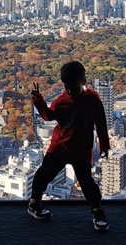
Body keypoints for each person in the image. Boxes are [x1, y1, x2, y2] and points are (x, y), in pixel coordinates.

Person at [27, 60, 110, 231]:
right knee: (44, 175)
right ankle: (34, 203)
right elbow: (48, 116)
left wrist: (104, 145)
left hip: (73, 149)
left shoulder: (92, 99)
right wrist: (38, 99)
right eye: (67, 86)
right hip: (62, 148)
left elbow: (101, 122)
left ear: (83, 81)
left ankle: (97, 210)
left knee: (87, 183)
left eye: (72, 86)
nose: (69, 90)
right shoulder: (63, 101)